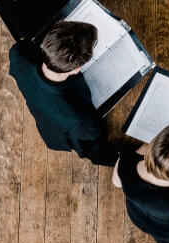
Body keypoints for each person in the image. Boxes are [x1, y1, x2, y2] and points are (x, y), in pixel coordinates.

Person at [8, 21, 118, 165]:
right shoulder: (82, 120)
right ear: (77, 68)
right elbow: (95, 153)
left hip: (41, 104)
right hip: (64, 130)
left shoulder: (19, 54)